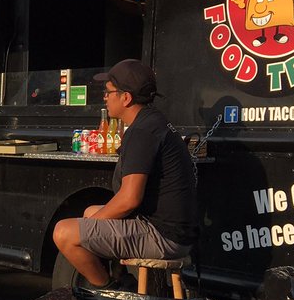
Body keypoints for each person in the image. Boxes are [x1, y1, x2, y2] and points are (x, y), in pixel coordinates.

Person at [52, 59, 198, 288]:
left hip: (164, 236)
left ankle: (111, 289)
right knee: (90, 212)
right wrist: (93, 221)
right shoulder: (152, 122)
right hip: (168, 227)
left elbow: (130, 199)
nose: (105, 97)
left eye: (108, 92)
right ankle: (120, 277)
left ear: (126, 98)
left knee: (63, 233)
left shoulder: (142, 132)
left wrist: (94, 224)